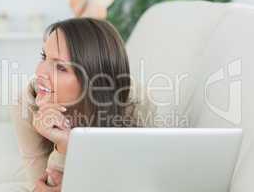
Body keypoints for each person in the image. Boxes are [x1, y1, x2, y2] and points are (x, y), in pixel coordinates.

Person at [10, 17, 156, 192]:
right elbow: (42, 187)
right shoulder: (28, 103)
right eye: (44, 57)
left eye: (61, 67)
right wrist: (63, 145)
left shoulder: (135, 101)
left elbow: (138, 179)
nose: (39, 72)